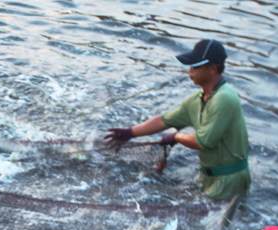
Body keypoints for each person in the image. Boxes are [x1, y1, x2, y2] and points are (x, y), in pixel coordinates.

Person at [103, 38, 250, 200]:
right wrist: (130, 133)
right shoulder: (197, 99)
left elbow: (204, 141)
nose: (190, 70)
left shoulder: (224, 99)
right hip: (207, 176)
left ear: (213, 68)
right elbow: (164, 120)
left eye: (195, 66)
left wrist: (176, 137)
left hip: (229, 180)